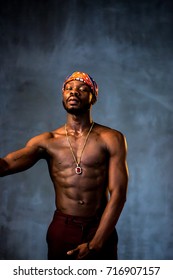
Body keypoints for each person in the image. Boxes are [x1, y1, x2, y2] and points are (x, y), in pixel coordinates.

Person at [0, 71, 128, 260]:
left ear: (93, 97)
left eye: (82, 89)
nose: (74, 92)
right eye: (68, 88)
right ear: (63, 95)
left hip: (100, 228)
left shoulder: (111, 138)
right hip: (63, 229)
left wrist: (96, 243)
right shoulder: (47, 141)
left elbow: (119, 193)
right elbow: (6, 165)